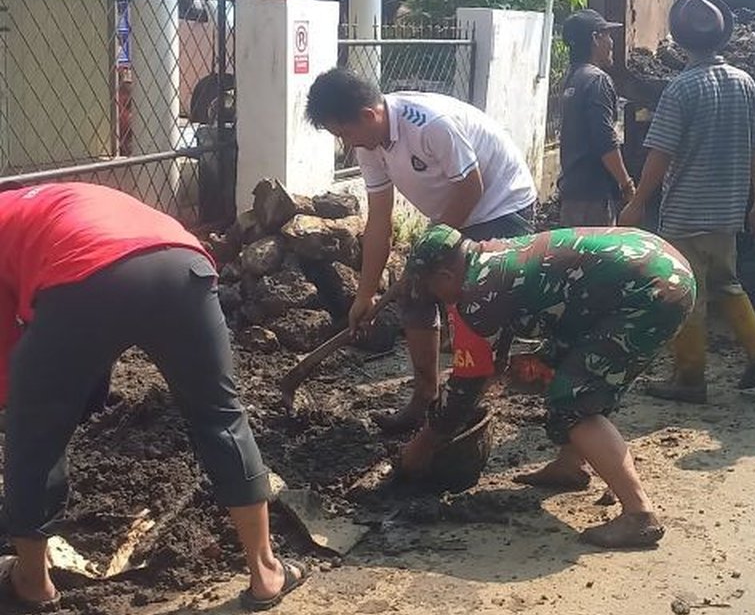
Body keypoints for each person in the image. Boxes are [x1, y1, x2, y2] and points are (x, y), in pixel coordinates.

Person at [0, 183, 308, 611]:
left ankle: (31, 584)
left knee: (33, 430)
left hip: (86, 277)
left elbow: (15, 350)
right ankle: (266, 572)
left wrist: (33, 413)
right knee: (221, 417)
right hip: (183, 263)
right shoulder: (44, 201)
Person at [396, 224, 696, 548]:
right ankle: (570, 466)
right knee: (570, 371)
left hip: (647, 293)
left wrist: (424, 444)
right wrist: (537, 359)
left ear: (444, 276)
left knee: (571, 402)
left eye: (430, 289)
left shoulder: (477, 290)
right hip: (656, 267)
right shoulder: (493, 255)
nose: (436, 299)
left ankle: (639, 514)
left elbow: (467, 386)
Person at [304, 69, 538, 436]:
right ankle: (425, 395)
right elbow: (379, 219)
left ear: (368, 115)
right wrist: (365, 295)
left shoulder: (430, 125)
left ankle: (470, 404)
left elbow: (471, 187)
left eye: (344, 133)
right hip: (455, 214)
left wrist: (435, 246)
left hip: (501, 208)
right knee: (414, 291)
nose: (347, 143)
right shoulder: (371, 144)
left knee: (477, 305)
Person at [619, 0, 755, 404]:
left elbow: (660, 155)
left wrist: (637, 203)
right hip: (727, 210)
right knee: (727, 282)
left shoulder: (681, 90)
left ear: (680, 39)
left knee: (686, 291)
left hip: (686, 211)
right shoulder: (746, 84)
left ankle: (689, 378)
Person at [558, 9, 636, 226]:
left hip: (573, 191)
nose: (611, 42)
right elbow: (605, 140)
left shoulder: (572, 77)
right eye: (607, 35)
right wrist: (626, 184)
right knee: (596, 258)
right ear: (595, 38)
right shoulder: (597, 80)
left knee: (573, 258)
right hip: (593, 197)